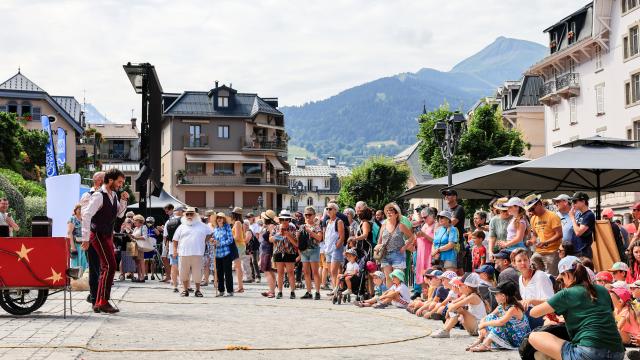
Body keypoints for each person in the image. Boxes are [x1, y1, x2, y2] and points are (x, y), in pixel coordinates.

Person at [529, 256, 625, 360]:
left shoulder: (566, 294)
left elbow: (533, 313)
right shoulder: (603, 290)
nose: (563, 283)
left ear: (566, 274)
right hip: (618, 353)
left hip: (589, 353)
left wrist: (551, 307)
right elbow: (608, 318)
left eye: (562, 279)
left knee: (534, 337)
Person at [81, 168, 129, 313]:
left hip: (107, 236)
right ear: (110, 180)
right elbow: (86, 215)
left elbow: (119, 214)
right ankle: (102, 301)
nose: (121, 185)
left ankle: (99, 302)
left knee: (107, 267)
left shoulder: (114, 194)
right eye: (119, 182)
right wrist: (85, 238)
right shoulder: (98, 196)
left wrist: (123, 200)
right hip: (98, 235)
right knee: (110, 266)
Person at [468, 281, 530, 352]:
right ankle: (480, 339)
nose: (494, 296)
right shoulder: (501, 306)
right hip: (510, 334)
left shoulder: (513, 308)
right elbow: (487, 317)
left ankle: (485, 344)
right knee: (491, 317)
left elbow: (501, 322)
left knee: (501, 323)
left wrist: (484, 324)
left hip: (518, 338)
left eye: (496, 294)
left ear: (503, 296)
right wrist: (483, 327)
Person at [431, 273, 487, 338]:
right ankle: (445, 329)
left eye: (459, 285)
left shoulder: (473, 297)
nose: (458, 286)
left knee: (459, 309)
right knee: (457, 309)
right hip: (473, 326)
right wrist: (449, 309)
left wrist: (448, 312)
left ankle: (446, 331)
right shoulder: (467, 295)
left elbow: (454, 306)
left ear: (466, 286)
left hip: (478, 327)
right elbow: (453, 304)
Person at [79, 171, 105, 305]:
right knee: (95, 268)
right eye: (106, 179)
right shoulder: (87, 195)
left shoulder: (108, 195)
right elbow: (84, 216)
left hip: (104, 236)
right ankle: (94, 296)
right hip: (92, 236)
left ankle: (100, 295)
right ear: (99, 181)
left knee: (103, 268)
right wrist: (86, 238)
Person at [173, 207, 211, 297]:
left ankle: (197, 290)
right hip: (183, 253)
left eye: (191, 214)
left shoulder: (202, 225)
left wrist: (204, 241)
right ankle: (185, 290)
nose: (189, 216)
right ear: (185, 215)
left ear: (195, 215)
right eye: (187, 214)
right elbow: (175, 240)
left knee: (197, 273)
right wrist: (175, 250)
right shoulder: (181, 226)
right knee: (183, 273)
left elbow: (210, 233)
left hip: (197, 253)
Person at [512, 248, 554, 330]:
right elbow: (526, 302)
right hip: (530, 315)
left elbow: (551, 302)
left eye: (525, 260)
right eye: (519, 261)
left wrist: (531, 301)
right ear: (514, 264)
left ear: (529, 261)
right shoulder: (520, 278)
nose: (523, 263)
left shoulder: (540, 276)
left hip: (544, 316)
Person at [378, 203, 415, 286]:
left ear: (396, 214)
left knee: (397, 278)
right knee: (388, 277)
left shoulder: (401, 226)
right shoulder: (383, 226)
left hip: (398, 254)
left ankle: (399, 297)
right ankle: (391, 297)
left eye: (391, 211)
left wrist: (405, 247)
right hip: (385, 254)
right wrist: (378, 248)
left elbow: (412, 237)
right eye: (387, 212)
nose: (389, 213)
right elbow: (379, 240)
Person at [525, 194, 563, 276]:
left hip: (552, 252)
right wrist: (531, 241)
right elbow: (535, 235)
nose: (531, 212)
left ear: (539, 204)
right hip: (538, 252)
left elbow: (559, 234)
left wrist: (546, 242)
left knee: (551, 278)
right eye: (529, 210)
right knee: (535, 275)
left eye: (532, 209)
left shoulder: (552, 216)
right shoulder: (533, 219)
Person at [271, 210, 299, 299]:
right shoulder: (276, 228)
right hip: (279, 252)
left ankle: (292, 291)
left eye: (286, 219)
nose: (284, 221)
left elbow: (296, 243)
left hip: (289, 252)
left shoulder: (293, 228)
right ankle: (279, 291)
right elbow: (271, 239)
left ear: (289, 220)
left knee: (290, 272)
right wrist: (279, 234)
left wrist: (288, 235)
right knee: (280, 273)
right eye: (282, 219)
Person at [299, 206, 323, 300]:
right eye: (306, 215)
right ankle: (308, 292)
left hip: (314, 250)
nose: (308, 217)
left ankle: (317, 292)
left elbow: (319, 238)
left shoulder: (317, 226)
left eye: (309, 215)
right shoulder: (302, 226)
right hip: (304, 251)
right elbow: (299, 240)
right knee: (306, 272)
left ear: (314, 215)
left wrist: (310, 232)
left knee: (315, 272)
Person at [442, 189, 467, 271]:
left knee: (459, 269)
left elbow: (452, 223)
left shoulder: (459, 208)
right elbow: (442, 224)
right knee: (447, 269)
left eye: (448, 194)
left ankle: (462, 284)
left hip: (458, 243)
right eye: (445, 195)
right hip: (448, 243)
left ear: (455, 197)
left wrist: (443, 224)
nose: (446, 196)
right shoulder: (446, 210)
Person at [211, 212, 235, 297]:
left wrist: (220, 243)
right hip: (217, 254)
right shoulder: (215, 229)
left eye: (221, 217)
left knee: (228, 273)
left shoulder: (227, 227)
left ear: (224, 219)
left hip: (226, 253)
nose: (219, 219)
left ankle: (230, 291)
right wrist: (213, 241)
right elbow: (213, 239)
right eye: (218, 218)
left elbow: (230, 240)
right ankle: (221, 290)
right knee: (219, 273)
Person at [413, 207, 436, 294]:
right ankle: (425, 296)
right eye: (422, 217)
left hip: (429, 254)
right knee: (422, 275)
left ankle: (430, 296)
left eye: (425, 217)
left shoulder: (436, 225)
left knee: (430, 275)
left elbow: (435, 240)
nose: (423, 219)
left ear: (432, 215)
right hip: (421, 254)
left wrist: (424, 235)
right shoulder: (424, 225)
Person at [324, 202, 346, 294]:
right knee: (330, 272)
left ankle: (336, 288)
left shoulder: (339, 221)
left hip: (335, 249)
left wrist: (336, 246)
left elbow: (342, 237)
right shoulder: (327, 222)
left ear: (335, 210)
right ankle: (334, 289)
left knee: (334, 271)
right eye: (327, 209)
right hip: (327, 249)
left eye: (330, 209)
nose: (328, 210)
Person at [569, 191, 596, 258]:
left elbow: (578, 232)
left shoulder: (589, 215)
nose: (573, 204)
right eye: (572, 202)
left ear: (583, 201)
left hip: (583, 252)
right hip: (577, 251)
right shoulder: (581, 215)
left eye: (575, 201)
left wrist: (572, 218)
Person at [259, 210, 278, 298]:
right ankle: (271, 290)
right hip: (266, 250)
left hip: (268, 251)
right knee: (270, 272)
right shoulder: (269, 226)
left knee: (267, 272)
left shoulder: (271, 226)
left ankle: (272, 291)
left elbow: (273, 238)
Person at [164, 207, 183, 292]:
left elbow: (165, 236)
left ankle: (175, 285)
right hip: (182, 247)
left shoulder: (168, 221)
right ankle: (184, 285)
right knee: (183, 267)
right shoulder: (184, 221)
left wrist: (166, 247)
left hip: (172, 247)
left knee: (174, 266)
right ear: (181, 212)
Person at [230, 207, 248, 293]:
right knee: (238, 267)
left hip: (238, 246)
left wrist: (228, 238)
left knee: (238, 267)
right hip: (240, 245)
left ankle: (240, 287)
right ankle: (240, 286)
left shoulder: (237, 223)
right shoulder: (241, 223)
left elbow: (237, 237)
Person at [67, 204, 88, 273]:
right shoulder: (72, 219)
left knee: (84, 263)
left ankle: (82, 281)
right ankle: (75, 281)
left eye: (82, 209)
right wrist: (72, 247)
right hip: (75, 244)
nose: (80, 211)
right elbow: (69, 233)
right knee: (75, 263)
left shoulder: (84, 219)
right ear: (75, 210)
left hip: (83, 244)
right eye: (79, 209)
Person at [131, 214, 149, 282]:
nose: (133, 222)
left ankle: (142, 277)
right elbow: (133, 237)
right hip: (134, 245)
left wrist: (136, 237)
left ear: (139, 220)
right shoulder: (135, 228)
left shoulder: (143, 227)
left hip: (140, 246)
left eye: (135, 220)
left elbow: (145, 237)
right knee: (136, 262)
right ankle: (139, 277)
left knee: (141, 261)